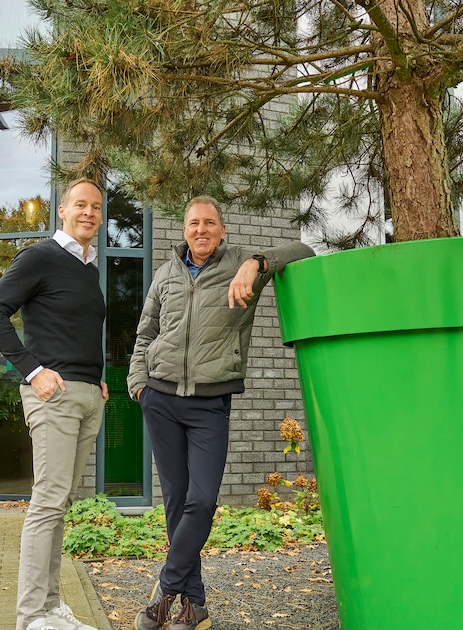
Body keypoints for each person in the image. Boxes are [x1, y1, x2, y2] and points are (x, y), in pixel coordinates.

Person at [127, 196, 314, 630]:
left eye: (210, 223)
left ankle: (166, 590)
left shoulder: (240, 266)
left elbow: (304, 252)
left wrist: (256, 262)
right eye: (194, 223)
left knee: (203, 500)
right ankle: (195, 606)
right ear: (185, 229)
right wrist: (139, 383)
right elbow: (145, 331)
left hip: (210, 402)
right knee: (176, 503)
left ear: (222, 229)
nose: (201, 230)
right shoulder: (166, 274)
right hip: (161, 397)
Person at [0, 178, 110, 630]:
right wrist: (33, 371)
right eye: (80, 205)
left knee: (61, 502)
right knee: (47, 502)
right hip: (53, 397)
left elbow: (72, 329)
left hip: (86, 395)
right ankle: (32, 615)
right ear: (62, 210)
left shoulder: (89, 266)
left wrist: (96, 379)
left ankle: (52, 607)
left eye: (96, 206)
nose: (88, 213)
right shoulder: (40, 257)